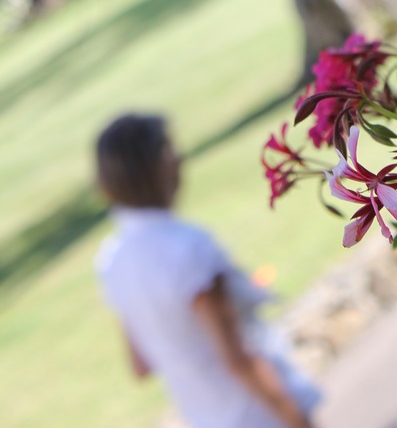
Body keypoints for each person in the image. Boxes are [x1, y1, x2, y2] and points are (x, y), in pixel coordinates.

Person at [94, 112, 320, 428]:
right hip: (259, 416)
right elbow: (238, 359)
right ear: (158, 164)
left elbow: (140, 364)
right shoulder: (188, 248)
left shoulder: (110, 261)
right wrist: (294, 417)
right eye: (172, 151)